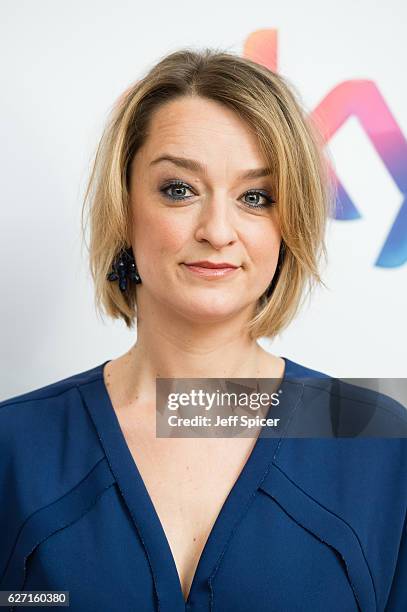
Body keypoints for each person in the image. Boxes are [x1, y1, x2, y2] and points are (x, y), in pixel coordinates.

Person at [0, 48, 406, 612]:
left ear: (290, 225)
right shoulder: (14, 445)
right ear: (124, 208)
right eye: (179, 189)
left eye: (255, 198)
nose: (217, 230)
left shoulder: (380, 438)